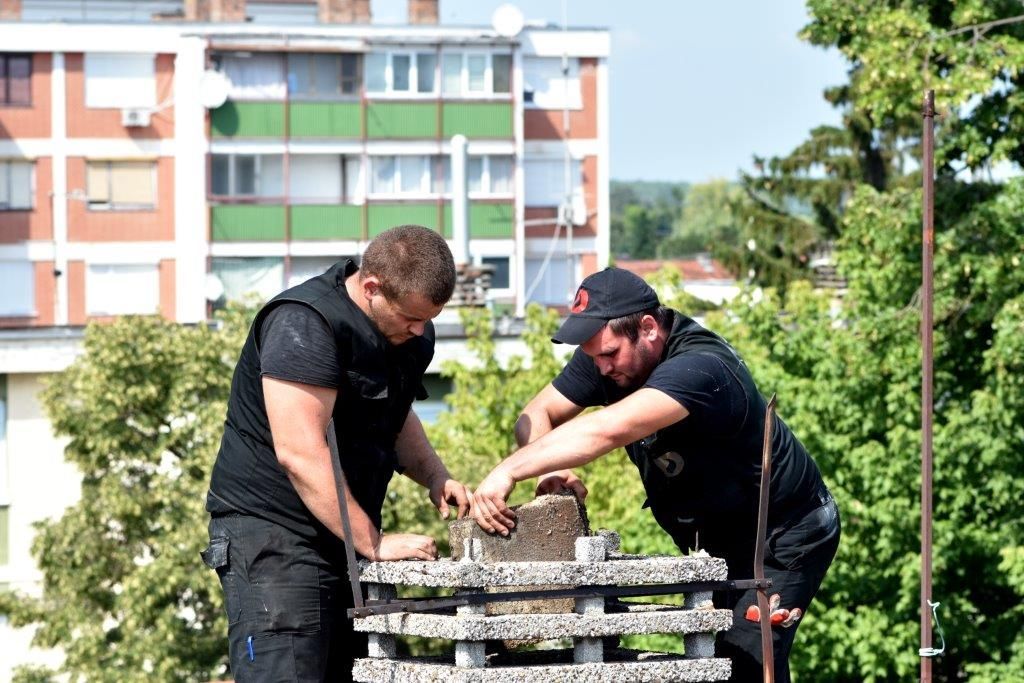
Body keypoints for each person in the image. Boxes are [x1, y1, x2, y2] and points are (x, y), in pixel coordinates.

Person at [471, 267, 840, 682]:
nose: (601, 367)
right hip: (717, 533)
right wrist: (552, 471)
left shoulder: (702, 367)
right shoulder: (608, 355)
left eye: (609, 354)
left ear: (647, 328)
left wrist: (509, 470)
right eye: (594, 356)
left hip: (783, 534)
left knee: (743, 659)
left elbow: (607, 430)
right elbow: (536, 413)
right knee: (727, 660)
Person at [201, 225, 472, 682]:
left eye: (430, 319)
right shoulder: (302, 323)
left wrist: (435, 477)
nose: (421, 330)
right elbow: (300, 452)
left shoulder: (409, 335)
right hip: (274, 538)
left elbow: (396, 414)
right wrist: (375, 544)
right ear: (372, 288)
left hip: (343, 537)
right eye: (411, 317)